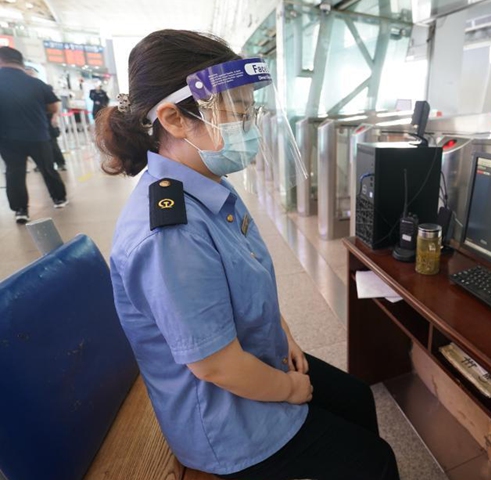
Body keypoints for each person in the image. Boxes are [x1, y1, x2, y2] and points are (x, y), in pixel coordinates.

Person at [97, 30, 399, 480]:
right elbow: (215, 364)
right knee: (374, 461)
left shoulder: (207, 183)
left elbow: (249, 280)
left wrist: (285, 334)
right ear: (174, 119)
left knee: (355, 398)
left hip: (256, 357)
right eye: (235, 114)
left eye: (248, 111)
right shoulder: (169, 232)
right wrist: (289, 389)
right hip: (227, 417)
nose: (248, 127)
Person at [0, 47, 68, 224]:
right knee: (47, 168)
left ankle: (21, 210)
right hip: (37, 134)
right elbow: (53, 106)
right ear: (20, 62)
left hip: (7, 137)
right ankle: (59, 198)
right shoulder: (35, 83)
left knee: (14, 172)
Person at [25, 66, 67, 172]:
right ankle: (41, 164)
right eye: (27, 74)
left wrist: (55, 117)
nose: (29, 76)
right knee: (37, 145)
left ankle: (60, 163)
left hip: (46, 119)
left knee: (52, 143)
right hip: (31, 122)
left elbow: (56, 103)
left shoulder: (43, 87)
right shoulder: (22, 89)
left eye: (31, 74)